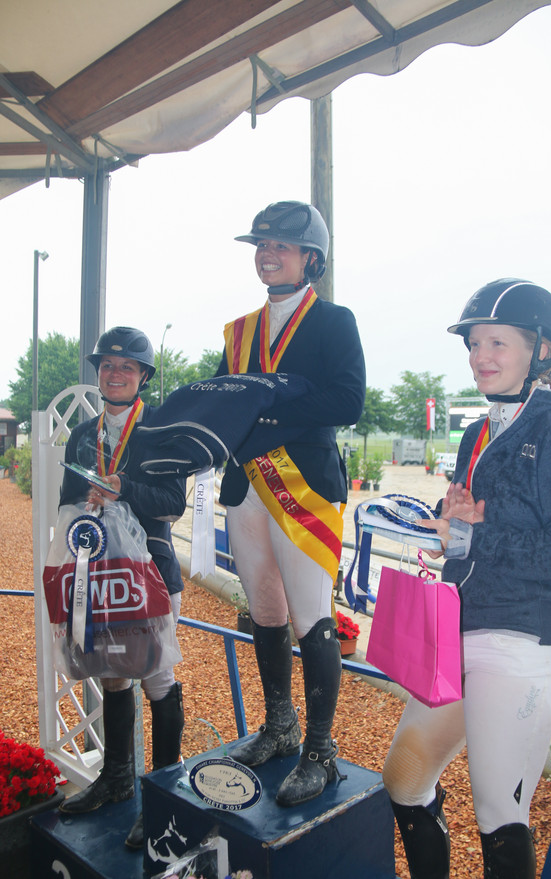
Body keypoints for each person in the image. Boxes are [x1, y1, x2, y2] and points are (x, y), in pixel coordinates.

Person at [382, 278, 551, 879]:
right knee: (403, 780)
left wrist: (473, 534)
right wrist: (442, 521)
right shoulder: (477, 431)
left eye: (498, 343)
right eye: (474, 344)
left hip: (523, 642)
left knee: (499, 814)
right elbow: (468, 529)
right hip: (459, 631)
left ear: (540, 350)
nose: (480, 357)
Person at [217, 201, 365, 807]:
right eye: (261, 245)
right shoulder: (238, 331)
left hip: (303, 483)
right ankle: (280, 727)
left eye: (280, 245)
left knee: (311, 618)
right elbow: (223, 398)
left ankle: (320, 752)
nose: (267, 254)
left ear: (311, 258)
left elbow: (348, 401)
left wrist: (269, 412)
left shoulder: (334, 321)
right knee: (265, 611)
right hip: (246, 485)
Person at [57, 326, 186, 851]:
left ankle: (164, 795)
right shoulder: (82, 434)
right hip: (98, 574)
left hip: (149, 570)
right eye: (108, 365)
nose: (115, 374)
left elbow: (172, 502)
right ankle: (116, 778)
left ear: (143, 377)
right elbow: (66, 502)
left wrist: (121, 489)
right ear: (99, 372)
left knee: (156, 676)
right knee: (111, 675)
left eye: (127, 367)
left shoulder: (160, 430)